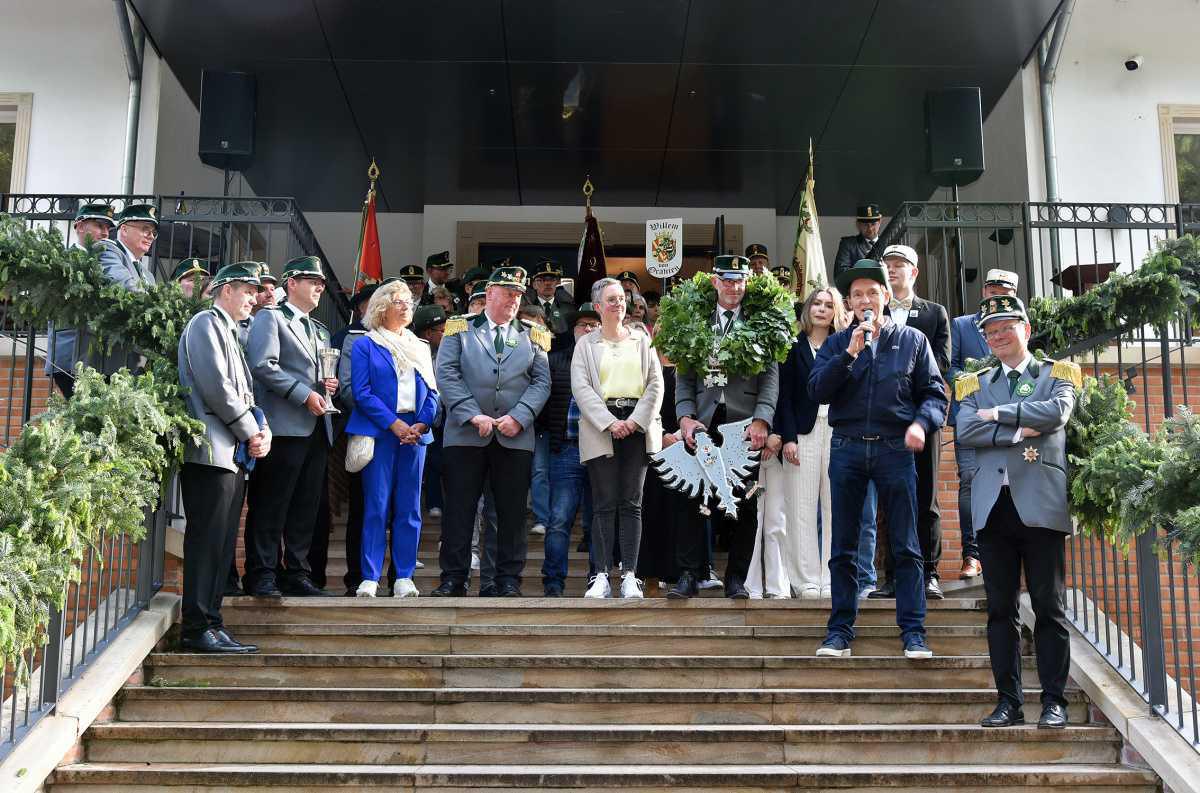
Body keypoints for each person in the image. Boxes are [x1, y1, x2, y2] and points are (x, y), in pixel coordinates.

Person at [809, 259, 947, 659]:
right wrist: (849, 355)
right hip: (848, 448)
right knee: (844, 546)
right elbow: (817, 390)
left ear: (887, 297)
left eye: (873, 292)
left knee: (906, 544)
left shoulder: (914, 342)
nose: (865, 300)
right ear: (848, 304)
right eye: (856, 295)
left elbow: (935, 394)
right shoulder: (838, 343)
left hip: (894, 449)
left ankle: (914, 633)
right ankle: (839, 633)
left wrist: (921, 424)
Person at [955, 295, 1079, 730]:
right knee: (999, 609)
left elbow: (1058, 412)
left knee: (1049, 606)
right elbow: (967, 428)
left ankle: (1054, 701)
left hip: (1040, 504)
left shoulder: (1056, 374)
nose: (999, 336)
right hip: (993, 508)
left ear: (1026, 329)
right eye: (991, 331)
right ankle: (1008, 701)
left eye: (1008, 327)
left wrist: (1000, 414)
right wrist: (1020, 429)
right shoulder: (974, 383)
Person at [432, 265, 551, 597]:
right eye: (508, 293)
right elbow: (447, 375)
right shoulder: (459, 329)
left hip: (514, 437)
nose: (514, 300)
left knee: (512, 513)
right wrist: (472, 415)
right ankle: (454, 578)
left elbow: (542, 382)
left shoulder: (533, 334)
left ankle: (506, 579)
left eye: (518, 295)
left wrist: (520, 416)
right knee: (459, 510)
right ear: (490, 295)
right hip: (466, 436)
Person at [671, 255, 779, 600]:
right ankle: (689, 575)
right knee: (694, 500)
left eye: (740, 281)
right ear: (715, 282)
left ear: (747, 283)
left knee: (744, 503)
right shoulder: (695, 318)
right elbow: (683, 377)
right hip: (703, 421)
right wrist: (685, 416)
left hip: (744, 423)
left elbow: (771, 378)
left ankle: (736, 579)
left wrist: (763, 418)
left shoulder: (762, 321)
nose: (734, 287)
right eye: (727, 280)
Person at [176, 262, 271, 653]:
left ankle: (212, 624)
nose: (254, 298)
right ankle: (197, 627)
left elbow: (243, 394)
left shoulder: (229, 331)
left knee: (222, 544)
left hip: (228, 453)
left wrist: (260, 431)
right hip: (209, 451)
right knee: (207, 542)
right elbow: (217, 387)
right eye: (248, 291)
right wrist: (252, 431)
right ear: (226, 290)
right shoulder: (205, 323)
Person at [243, 255, 337, 598]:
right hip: (283, 426)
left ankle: (297, 572)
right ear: (291, 283)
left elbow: (318, 374)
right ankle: (263, 572)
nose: (319, 288)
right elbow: (262, 365)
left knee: (305, 507)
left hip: (315, 427)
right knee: (270, 503)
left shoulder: (320, 329)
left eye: (322, 283)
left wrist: (328, 387)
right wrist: (304, 394)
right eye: (312, 281)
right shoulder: (271, 317)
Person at [346, 280, 440, 598]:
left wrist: (423, 423)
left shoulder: (420, 347)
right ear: (381, 306)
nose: (406, 306)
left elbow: (432, 392)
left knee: (410, 508)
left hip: (415, 435)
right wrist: (395, 424)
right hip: (382, 432)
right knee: (376, 505)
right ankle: (370, 577)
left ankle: (404, 576)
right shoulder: (365, 344)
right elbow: (362, 392)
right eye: (399, 301)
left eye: (409, 302)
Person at [571, 278, 664, 598]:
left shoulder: (642, 339)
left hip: (637, 426)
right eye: (611, 299)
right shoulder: (586, 344)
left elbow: (656, 384)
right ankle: (600, 574)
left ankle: (630, 575)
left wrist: (635, 421)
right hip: (602, 428)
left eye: (622, 299)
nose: (619, 304)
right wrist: (610, 423)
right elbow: (581, 388)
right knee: (604, 503)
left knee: (632, 503)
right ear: (598, 307)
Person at [870, 244, 951, 600]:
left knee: (926, 496)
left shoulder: (934, 314)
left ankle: (929, 573)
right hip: (885, 421)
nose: (892, 269)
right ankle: (892, 576)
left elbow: (943, 364)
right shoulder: (874, 311)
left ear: (914, 272)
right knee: (889, 499)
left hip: (921, 417)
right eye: (887, 264)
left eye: (899, 264)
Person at [773, 286, 849, 598]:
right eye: (815, 303)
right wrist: (788, 437)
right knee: (800, 507)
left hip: (838, 432)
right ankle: (805, 580)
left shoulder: (846, 344)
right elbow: (784, 397)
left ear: (837, 311)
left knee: (836, 507)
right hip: (802, 433)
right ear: (807, 309)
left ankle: (832, 578)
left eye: (828, 304)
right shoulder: (792, 347)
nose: (820, 309)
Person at [949, 268, 1020, 581]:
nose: (996, 296)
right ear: (985, 292)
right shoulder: (962, 325)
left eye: (1003, 293)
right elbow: (948, 367)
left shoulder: (1020, 327)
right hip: (972, 417)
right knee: (970, 481)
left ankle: (1005, 553)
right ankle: (972, 554)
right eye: (992, 291)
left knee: (1011, 483)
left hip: (1012, 418)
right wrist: (976, 387)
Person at [536, 303, 600, 595]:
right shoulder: (555, 360)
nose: (588, 330)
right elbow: (544, 403)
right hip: (567, 448)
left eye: (593, 325)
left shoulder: (611, 361)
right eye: (582, 325)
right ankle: (553, 582)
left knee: (598, 519)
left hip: (603, 449)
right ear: (573, 330)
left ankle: (598, 578)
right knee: (559, 517)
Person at [333, 283, 381, 595]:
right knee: (363, 507)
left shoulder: (406, 339)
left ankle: (394, 576)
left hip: (400, 436)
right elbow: (347, 389)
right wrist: (387, 417)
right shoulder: (350, 338)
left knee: (393, 509)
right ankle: (357, 576)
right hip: (363, 429)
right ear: (363, 307)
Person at [46, 203, 116, 397]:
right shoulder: (62, 261)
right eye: (99, 226)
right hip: (69, 357)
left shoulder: (109, 264)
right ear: (80, 226)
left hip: (100, 358)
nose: (105, 233)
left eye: (108, 228)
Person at [89, 203, 158, 374]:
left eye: (153, 233)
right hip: (109, 359)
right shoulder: (106, 249)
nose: (150, 236)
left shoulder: (148, 275)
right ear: (125, 229)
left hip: (136, 360)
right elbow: (125, 285)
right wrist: (159, 308)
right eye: (145, 229)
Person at [413, 304, 448, 520]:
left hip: (445, 417)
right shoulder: (414, 352)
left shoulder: (449, 351)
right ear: (428, 333)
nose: (446, 335)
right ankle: (433, 501)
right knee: (431, 463)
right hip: (420, 421)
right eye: (442, 331)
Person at [833, 204, 883, 278]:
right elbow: (840, 272)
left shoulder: (887, 243)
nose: (870, 229)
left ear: (880, 222)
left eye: (873, 224)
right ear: (858, 225)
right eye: (866, 225)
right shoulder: (848, 244)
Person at [525, 259, 572, 335]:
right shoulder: (526, 310)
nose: (548, 283)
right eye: (541, 280)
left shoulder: (568, 309)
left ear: (557, 283)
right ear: (534, 285)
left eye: (552, 279)